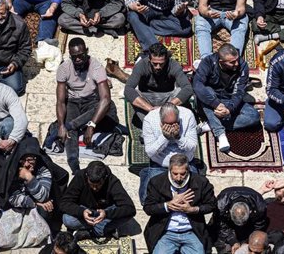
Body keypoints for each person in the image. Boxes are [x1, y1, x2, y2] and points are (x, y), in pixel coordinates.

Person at [56, 38, 121, 172]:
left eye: (81, 56)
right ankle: (74, 165)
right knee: (69, 132)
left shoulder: (96, 67)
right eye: (75, 57)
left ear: (87, 51)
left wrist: (91, 126)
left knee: (106, 106)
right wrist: (62, 125)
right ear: (70, 56)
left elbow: (105, 98)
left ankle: (76, 124)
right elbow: (61, 101)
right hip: (73, 102)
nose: (78, 60)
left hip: (92, 100)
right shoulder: (63, 68)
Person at [143, 153, 217, 253]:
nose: (178, 178)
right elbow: (148, 208)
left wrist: (193, 209)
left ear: (188, 170)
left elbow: (212, 204)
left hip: (191, 231)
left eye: (182, 174)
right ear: (169, 170)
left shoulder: (201, 182)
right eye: (175, 174)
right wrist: (167, 205)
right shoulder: (157, 182)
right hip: (166, 232)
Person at [194, 44, 261, 153]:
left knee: (254, 117)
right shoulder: (208, 62)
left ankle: (212, 124)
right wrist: (215, 104)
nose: (236, 64)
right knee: (207, 91)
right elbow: (197, 85)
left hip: (229, 99)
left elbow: (239, 92)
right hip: (210, 103)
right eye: (232, 62)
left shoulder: (242, 65)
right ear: (221, 62)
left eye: (237, 59)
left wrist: (229, 109)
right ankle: (220, 134)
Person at [60, 161, 136, 240]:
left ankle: (92, 231)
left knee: (126, 215)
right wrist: (81, 212)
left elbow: (130, 208)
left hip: (105, 212)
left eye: (98, 185)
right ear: (87, 177)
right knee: (67, 219)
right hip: (86, 211)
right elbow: (64, 202)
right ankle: (101, 230)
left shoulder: (112, 181)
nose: (95, 188)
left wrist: (106, 214)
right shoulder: (80, 177)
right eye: (92, 185)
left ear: (105, 178)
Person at [126, 0, 193, 52]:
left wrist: (180, 10)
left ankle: (143, 27)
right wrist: (135, 6)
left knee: (186, 30)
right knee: (132, 16)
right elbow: (130, 0)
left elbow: (176, 8)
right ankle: (155, 49)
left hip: (168, 10)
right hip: (148, 8)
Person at [139, 103, 198, 202]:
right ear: (161, 122)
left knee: (195, 198)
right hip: (160, 164)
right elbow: (150, 152)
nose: (171, 128)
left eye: (175, 123)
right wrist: (164, 138)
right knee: (146, 199)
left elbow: (192, 147)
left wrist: (178, 137)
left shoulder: (188, 115)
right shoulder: (149, 120)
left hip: (183, 162)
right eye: (168, 124)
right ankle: (146, 173)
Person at [124, 42, 194, 123]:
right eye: (155, 64)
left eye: (161, 64)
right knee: (134, 93)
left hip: (168, 98)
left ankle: (170, 120)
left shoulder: (173, 65)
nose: (158, 67)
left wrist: (166, 107)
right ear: (149, 59)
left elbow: (188, 88)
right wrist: (150, 108)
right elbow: (128, 89)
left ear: (166, 59)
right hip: (147, 99)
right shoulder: (141, 65)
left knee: (179, 91)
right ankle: (149, 122)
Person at [213, 186, 269, 254]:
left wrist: (247, 242)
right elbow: (222, 228)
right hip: (227, 220)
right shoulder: (221, 206)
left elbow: (258, 228)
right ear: (230, 211)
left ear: (250, 211)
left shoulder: (260, 207)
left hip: (250, 223)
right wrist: (234, 242)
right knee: (221, 242)